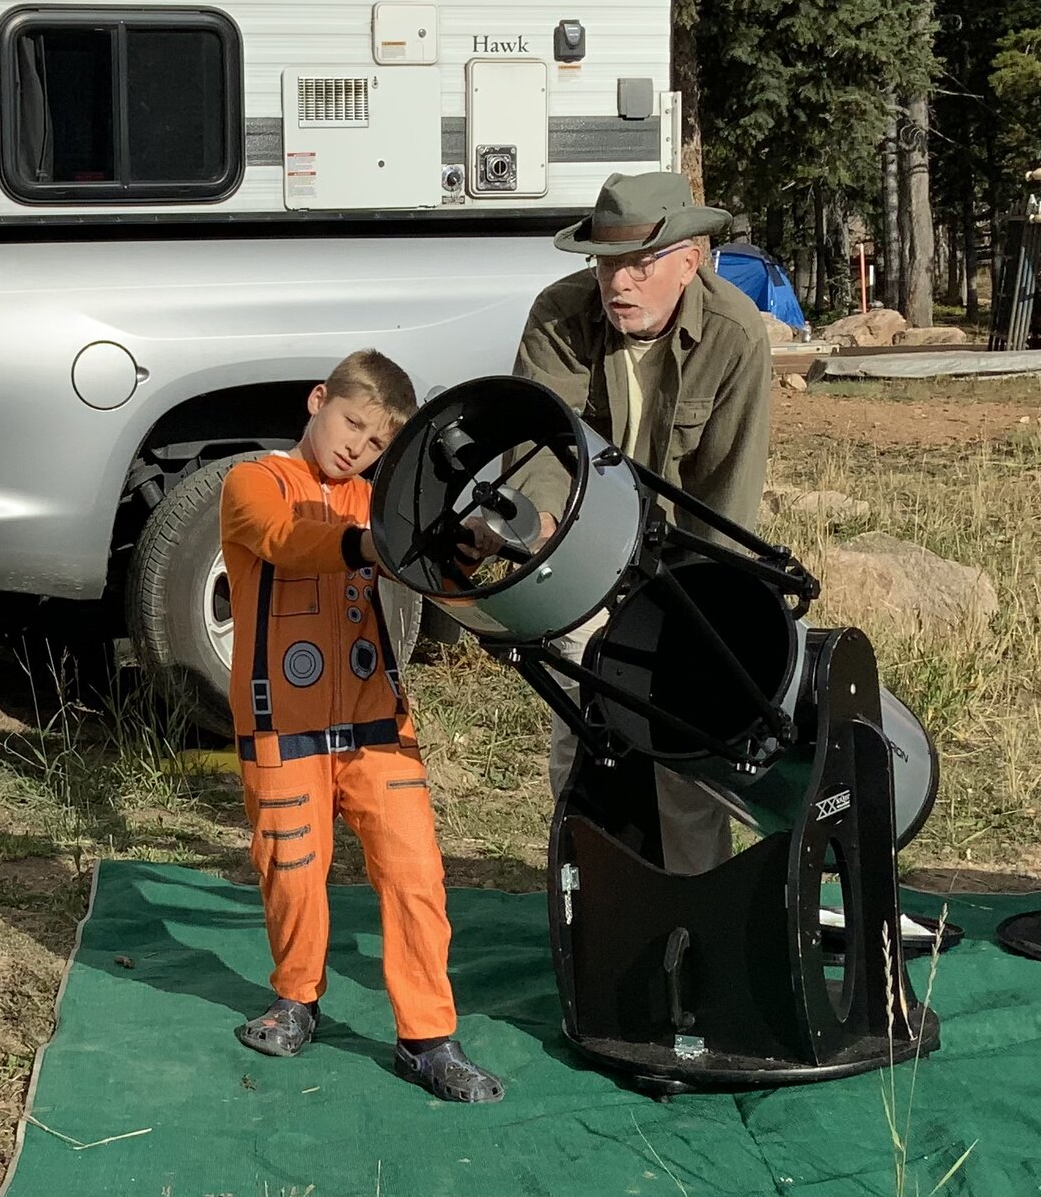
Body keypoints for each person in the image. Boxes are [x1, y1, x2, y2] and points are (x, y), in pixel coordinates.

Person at [221, 349, 504, 1104]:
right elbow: (287, 540)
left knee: (416, 874)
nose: (357, 448)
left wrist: (461, 552)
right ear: (319, 400)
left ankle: (427, 1039)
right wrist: (373, 542)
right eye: (351, 425)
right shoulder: (251, 484)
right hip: (282, 723)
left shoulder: (375, 502)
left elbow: (426, 571)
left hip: (378, 722)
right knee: (292, 868)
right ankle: (296, 1000)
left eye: (378, 444)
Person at [508, 169, 774, 874]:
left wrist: (707, 613)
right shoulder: (559, 318)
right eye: (604, 263)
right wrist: (539, 527)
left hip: (685, 564)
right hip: (583, 552)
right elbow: (538, 444)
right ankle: (585, 903)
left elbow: (727, 496)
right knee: (580, 726)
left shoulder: (735, 336)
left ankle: (694, 905)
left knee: (685, 750)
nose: (617, 283)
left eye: (638, 264)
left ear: (688, 261)